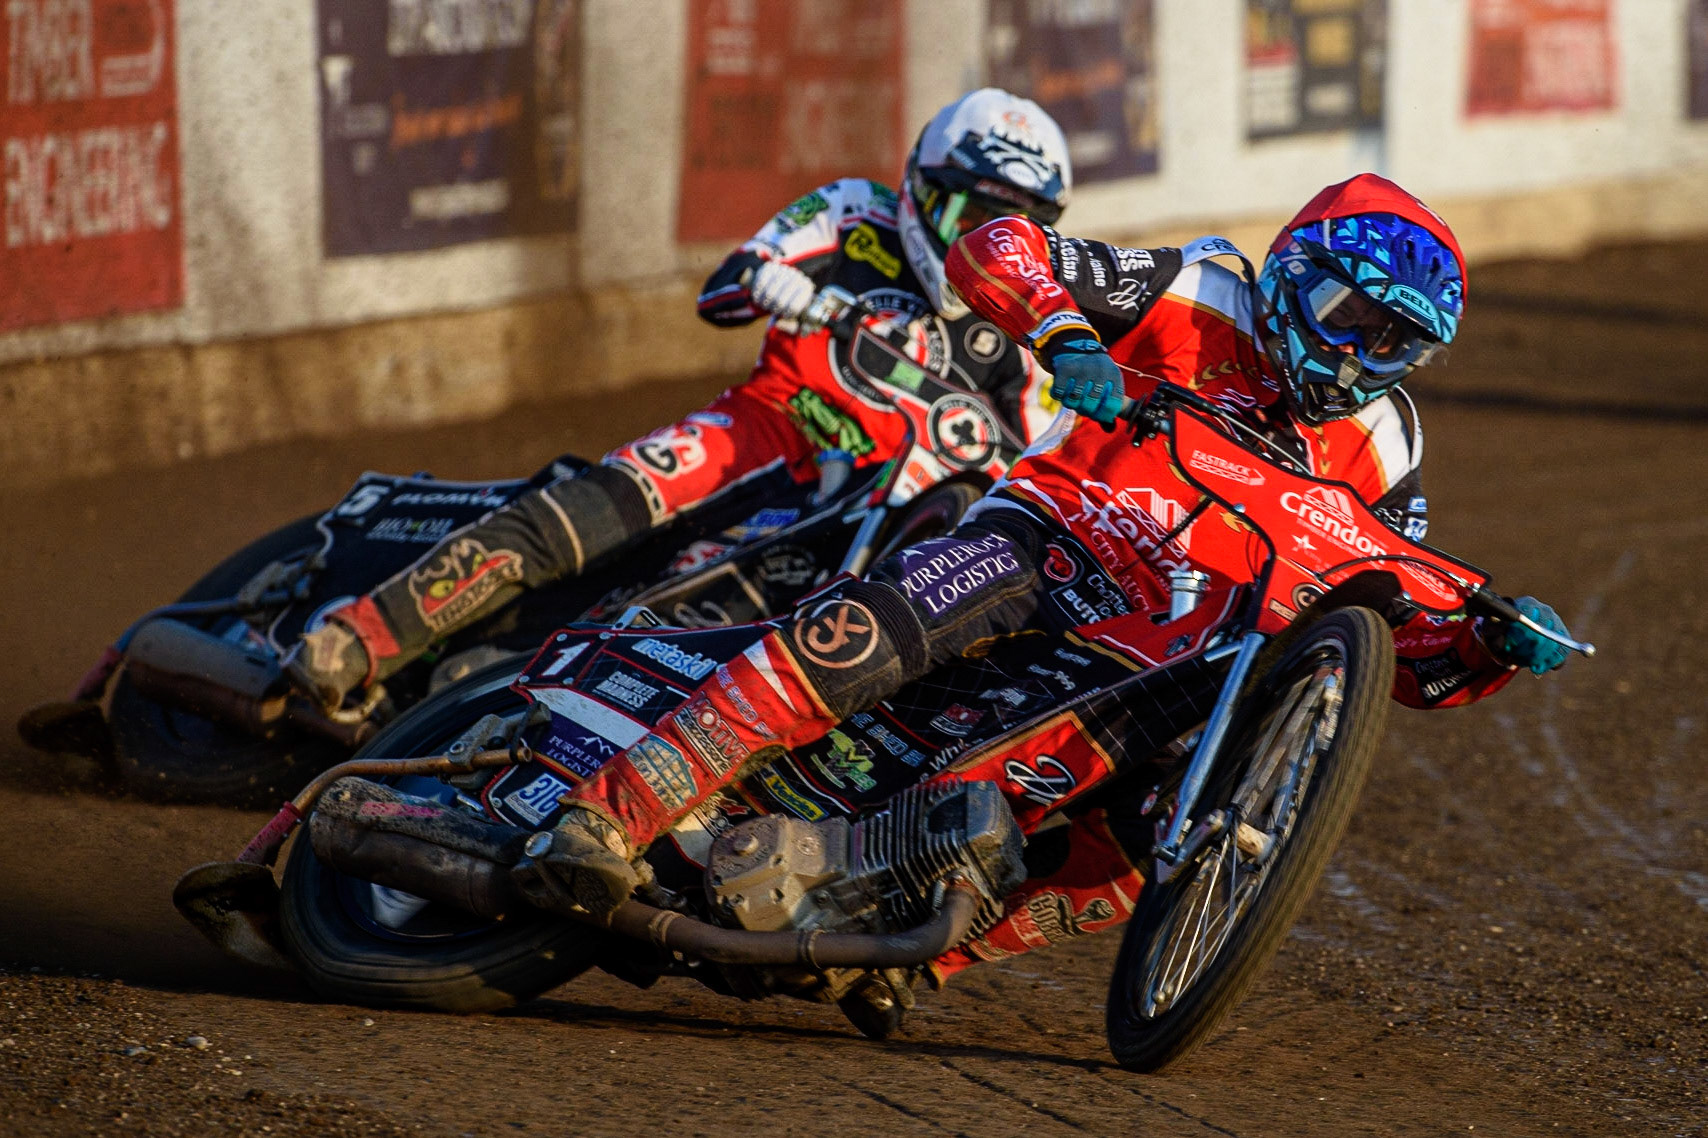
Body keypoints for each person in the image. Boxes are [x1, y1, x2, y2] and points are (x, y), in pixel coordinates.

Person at [510, 173, 1575, 984]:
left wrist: (1481, 644)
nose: (1358, 359)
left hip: (1159, 645)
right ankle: (607, 812)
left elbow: (1396, 624)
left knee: (1156, 825)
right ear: (1297, 274)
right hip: (1051, 535)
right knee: (861, 635)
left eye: (1393, 346)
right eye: (1353, 320)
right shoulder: (1200, 292)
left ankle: (907, 958)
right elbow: (1000, 242)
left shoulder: (1385, 442)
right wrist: (1066, 332)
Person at [286, 88, 1074, 709]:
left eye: (1015, 226)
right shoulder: (854, 211)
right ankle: (363, 634)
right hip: (765, 428)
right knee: (606, 503)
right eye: (977, 215)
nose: (990, 242)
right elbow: (728, 284)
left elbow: (1043, 461)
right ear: (926, 193)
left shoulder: (1022, 334)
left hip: (859, 523)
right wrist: (784, 285)